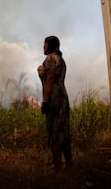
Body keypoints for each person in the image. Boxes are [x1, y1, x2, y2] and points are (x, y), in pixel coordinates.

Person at [37, 35, 72, 170]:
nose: (43, 47)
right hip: (63, 97)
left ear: (50, 46)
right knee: (64, 130)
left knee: (53, 131)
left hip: (53, 99)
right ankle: (69, 163)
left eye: (45, 45)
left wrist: (45, 101)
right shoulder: (61, 60)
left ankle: (57, 167)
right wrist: (42, 72)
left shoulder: (50, 59)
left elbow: (50, 81)